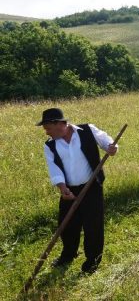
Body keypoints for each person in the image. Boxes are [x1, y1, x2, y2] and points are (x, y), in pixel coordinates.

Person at [36, 108, 118, 274]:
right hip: (69, 190)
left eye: (48, 128)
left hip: (91, 186)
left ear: (58, 124)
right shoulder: (50, 145)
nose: (46, 132)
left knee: (93, 226)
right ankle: (68, 255)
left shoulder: (87, 130)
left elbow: (107, 141)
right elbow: (54, 168)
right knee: (67, 225)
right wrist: (62, 188)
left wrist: (111, 147)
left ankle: (92, 262)